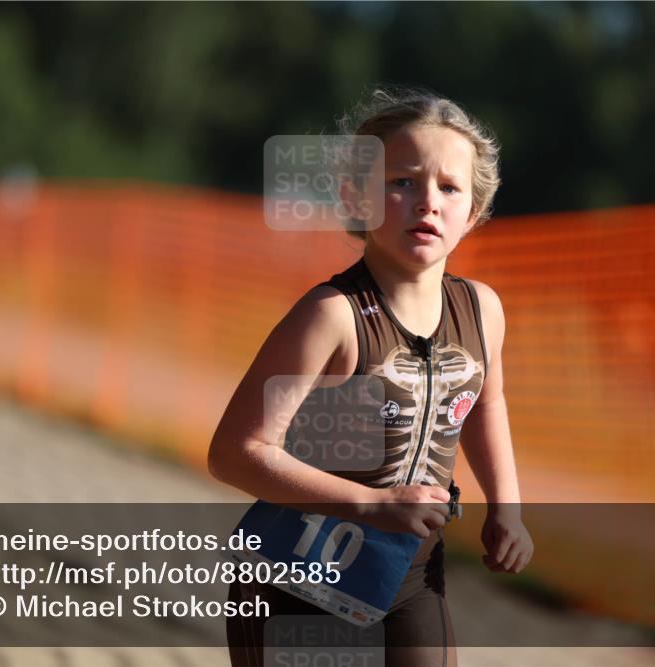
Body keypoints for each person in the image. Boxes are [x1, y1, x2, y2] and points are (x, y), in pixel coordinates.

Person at [208, 85, 533, 667]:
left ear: (475, 211)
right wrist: (370, 505)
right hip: (297, 574)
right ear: (357, 197)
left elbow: (487, 403)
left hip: (409, 576)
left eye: (449, 187)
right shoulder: (333, 315)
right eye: (402, 181)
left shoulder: (482, 311)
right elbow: (235, 452)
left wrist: (506, 507)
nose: (427, 202)